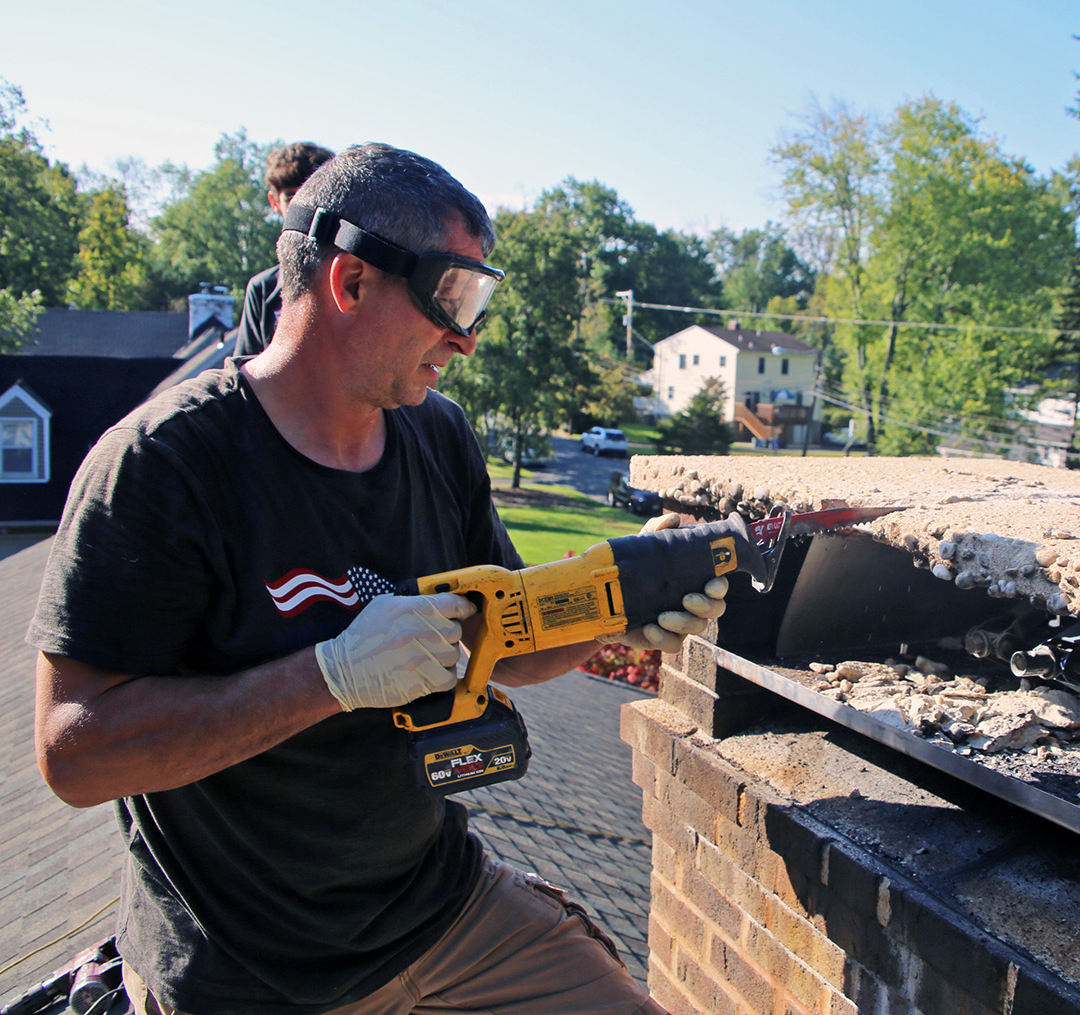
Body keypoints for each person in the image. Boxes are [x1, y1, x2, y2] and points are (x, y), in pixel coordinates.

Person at [30, 143, 729, 1015]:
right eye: (450, 297)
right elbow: (74, 753)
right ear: (350, 282)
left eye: (479, 303)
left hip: (438, 912)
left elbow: (503, 643)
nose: (467, 339)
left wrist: (620, 602)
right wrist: (330, 677)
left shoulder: (436, 436)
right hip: (246, 966)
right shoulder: (165, 464)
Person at [234, 141, 335, 357]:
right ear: (273, 200)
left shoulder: (358, 281)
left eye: (312, 198)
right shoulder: (263, 290)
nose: (304, 209)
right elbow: (248, 373)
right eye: (292, 198)